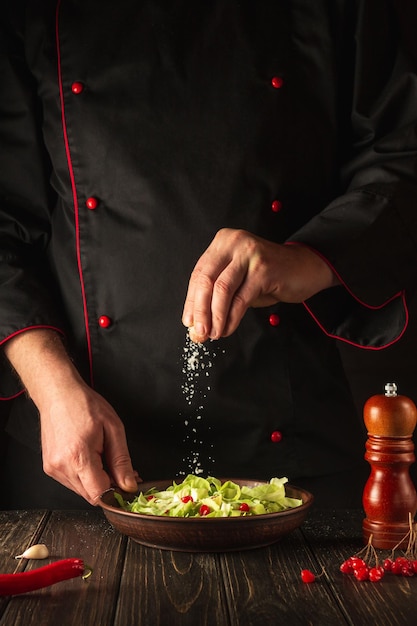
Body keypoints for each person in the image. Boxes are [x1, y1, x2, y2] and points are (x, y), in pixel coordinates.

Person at [1, 0, 417, 510]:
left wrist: (306, 259)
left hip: (293, 447)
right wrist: (51, 387)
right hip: (79, 444)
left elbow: (402, 158)